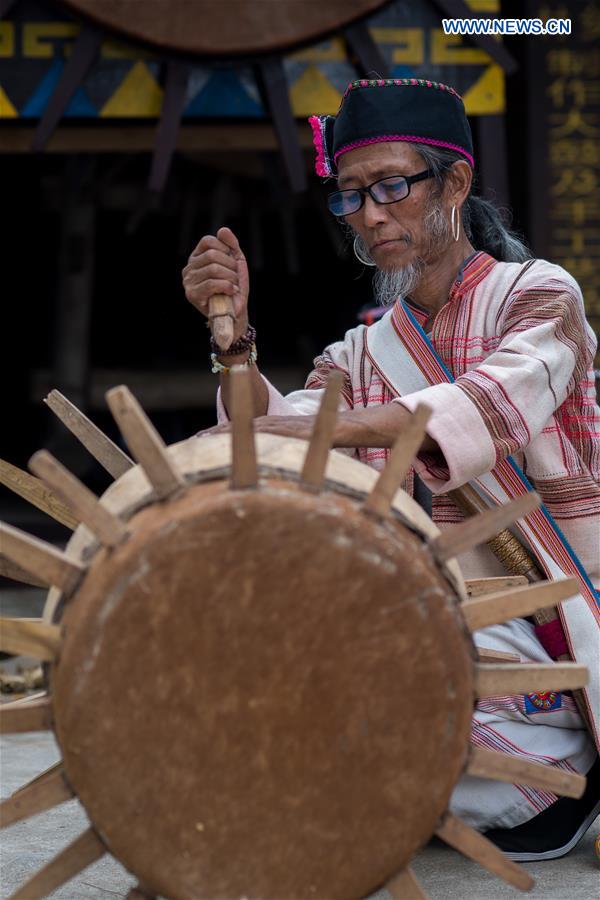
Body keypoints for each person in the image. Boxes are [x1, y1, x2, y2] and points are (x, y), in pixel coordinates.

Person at [182, 77, 600, 860]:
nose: (371, 216)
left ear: (457, 183)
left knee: (352, 701)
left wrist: (312, 427)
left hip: (555, 645)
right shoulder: (367, 349)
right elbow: (272, 439)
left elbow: (488, 405)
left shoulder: (540, 296)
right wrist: (232, 343)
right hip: (431, 631)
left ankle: (545, 785)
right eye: (350, 196)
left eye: (392, 187)